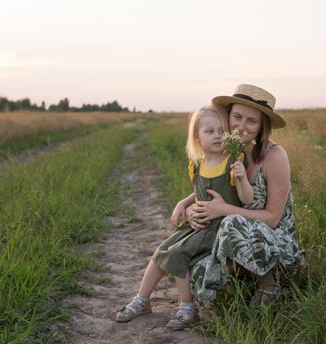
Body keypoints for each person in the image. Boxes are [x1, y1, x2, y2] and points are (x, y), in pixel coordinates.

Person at [115, 104, 253, 330]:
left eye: (221, 130)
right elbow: (200, 191)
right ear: (197, 138)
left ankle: (187, 308)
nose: (217, 136)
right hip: (198, 225)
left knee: (177, 253)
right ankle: (141, 300)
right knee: (161, 251)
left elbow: (246, 198)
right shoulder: (197, 165)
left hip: (218, 228)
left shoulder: (233, 162)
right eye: (209, 131)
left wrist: (243, 178)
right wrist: (183, 202)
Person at [180, 84, 306, 307]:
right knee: (197, 276)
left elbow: (273, 218)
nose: (241, 126)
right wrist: (188, 205)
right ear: (227, 117)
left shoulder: (274, 156)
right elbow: (211, 188)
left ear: (261, 127)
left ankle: (268, 285)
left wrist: (225, 210)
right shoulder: (226, 150)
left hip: (273, 243)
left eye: (252, 121)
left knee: (232, 222)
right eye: (236, 117)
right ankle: (236, 280)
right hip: (233, 240)